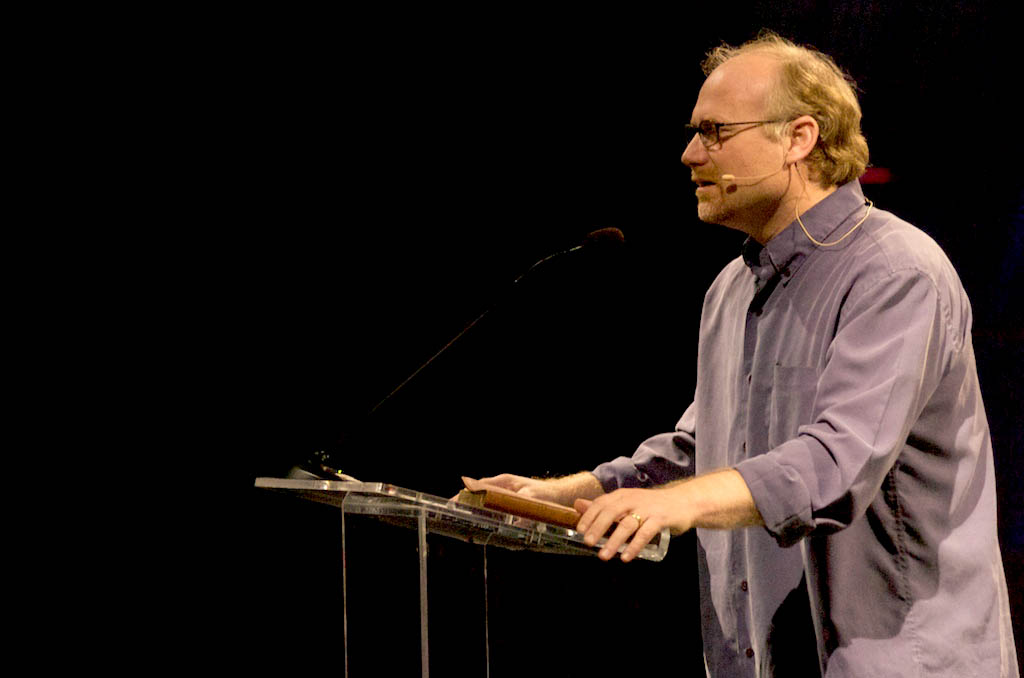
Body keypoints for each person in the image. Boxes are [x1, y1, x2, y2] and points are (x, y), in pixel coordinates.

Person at [477, 32, 1018, 677]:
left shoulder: (896, 272)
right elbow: (703, 449)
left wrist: (679, 505)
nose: (689, 153)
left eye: (715, 132)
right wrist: (574, 492)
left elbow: (837, 460)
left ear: (799, 138)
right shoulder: (730, 289)